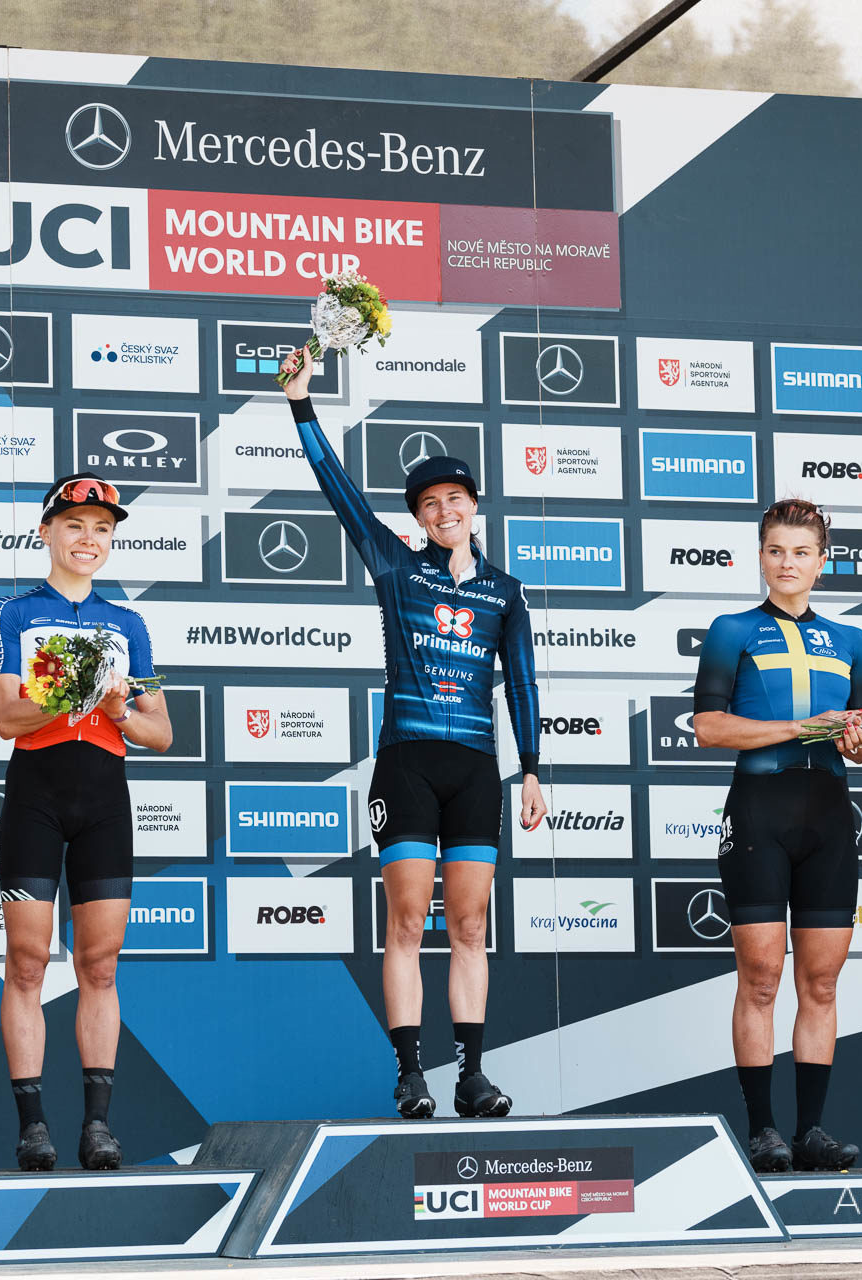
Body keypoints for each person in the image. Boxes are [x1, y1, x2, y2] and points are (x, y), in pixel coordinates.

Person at [280, 349, 547, 1120]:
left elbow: (521, 683)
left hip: (475, 770)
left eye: (455, 498)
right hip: (407, 764)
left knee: (469, 925)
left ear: (474, 506)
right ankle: (409, 1075)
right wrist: (301, 405)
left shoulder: (505, 592)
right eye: (430, 504)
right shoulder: (396, 568)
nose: (444, 511)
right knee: (405, 921)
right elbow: (339, 492)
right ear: (418, 518)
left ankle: (471, 1075)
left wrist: (531, 768)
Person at [0, 473, 173, 1173]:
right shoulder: (11, 612)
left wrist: (117, 709)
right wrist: (75, 691)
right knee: (27, 962)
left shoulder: (128, 624)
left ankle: (98, 1126)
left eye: (101, 529)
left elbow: (161, 733)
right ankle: (33, 1127)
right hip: (36, 793)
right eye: (74, 525)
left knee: (100, 965)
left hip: (104, 800)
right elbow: (7, 718)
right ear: (46, 532)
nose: (88, 539)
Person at [691, 498, 862, 1173]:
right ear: (761, 556)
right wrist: (801, 728)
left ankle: (811, 1131)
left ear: (822, 562)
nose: (787, 563)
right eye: (776, 551)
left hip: (829, 818)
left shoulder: (853, 642)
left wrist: (855, 742)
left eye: (801, 552)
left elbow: (861, 742)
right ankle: (762, 1128)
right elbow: (708, 727)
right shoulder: (732, 630)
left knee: (821, 984)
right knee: (762, 978)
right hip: (759, 814)